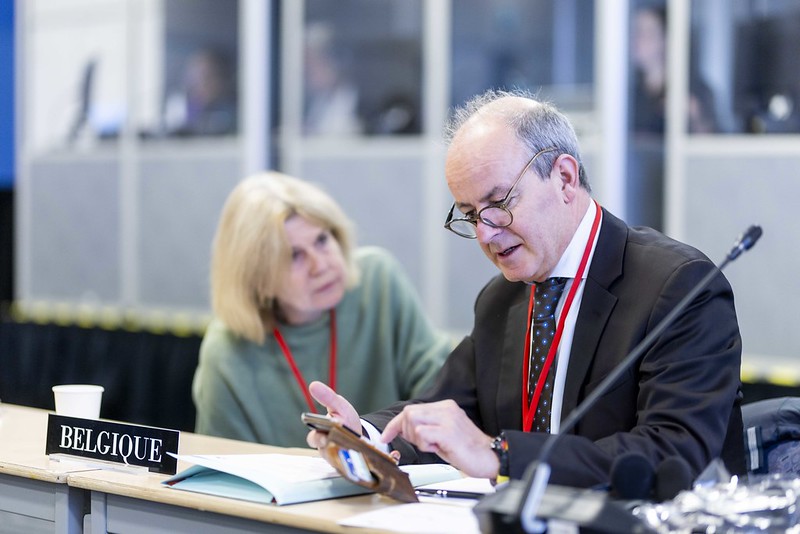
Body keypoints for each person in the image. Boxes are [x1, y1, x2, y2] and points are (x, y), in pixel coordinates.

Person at [307, 89, 745, 489]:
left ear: (565, 178)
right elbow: (445, 414)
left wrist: (500, 455)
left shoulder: (679, 287)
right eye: (470, 214)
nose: (485, 234)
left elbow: (672, 456)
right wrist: (363, 435)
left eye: (499, 204)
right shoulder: (502, 298)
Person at [192, 172, 453, 447]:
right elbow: (221, 465)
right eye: (294, 256)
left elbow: (444, 392)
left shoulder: (379, 281)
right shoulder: (227, 351)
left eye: (321, 240)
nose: (320, 265)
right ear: (257, 279)